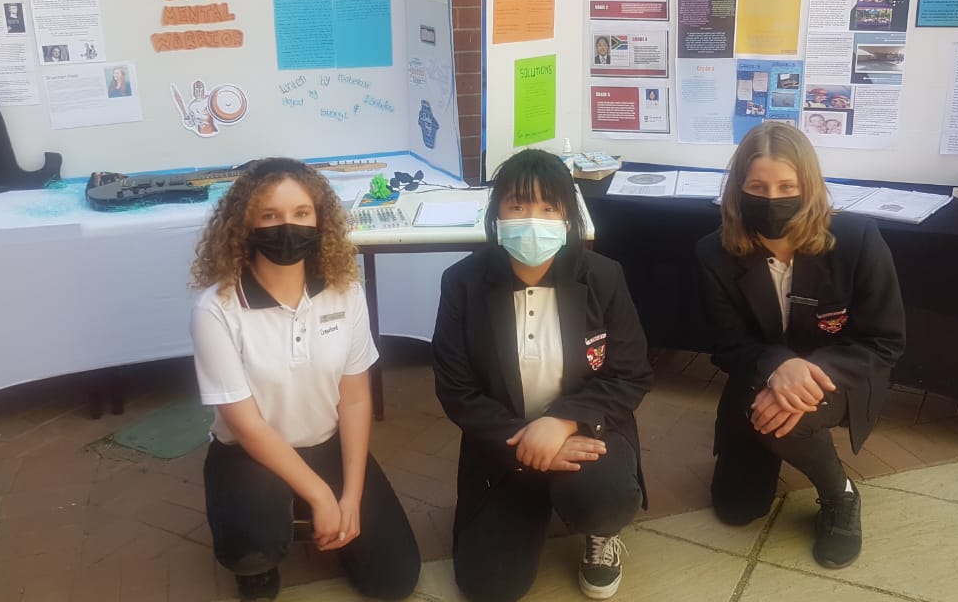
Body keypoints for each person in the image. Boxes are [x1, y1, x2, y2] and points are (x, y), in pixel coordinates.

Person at [190, 158, 420, 602]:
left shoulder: (344, 291)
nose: (287, 227)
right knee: (252, 543)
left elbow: (354, 399)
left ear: (319, 219)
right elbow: (247, 425)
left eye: (300, 213)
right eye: (269, 216)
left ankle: (321, 511)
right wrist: (319, 494)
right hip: (247, 454)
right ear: (244, 225)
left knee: (393, 581)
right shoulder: (216, 308)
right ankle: (257, 565)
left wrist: (350, 496)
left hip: (326, 441)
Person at [432, 149, 653, 601]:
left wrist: (563, 421)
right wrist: (528, 442)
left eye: (548, 207)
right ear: (496, 214)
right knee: (490, 587)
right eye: (518, 204)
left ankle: (598, 532)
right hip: (502, 442)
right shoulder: (463, 283)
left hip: (588, 433)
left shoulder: (603, 277)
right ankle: (531, 492)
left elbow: (630, 374)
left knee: (603, 496)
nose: (533, 219)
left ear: (569, 215)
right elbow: (457, 391)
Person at [696, 122, 904, 570]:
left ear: (807, 187)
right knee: (736, 508)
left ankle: (839, 496)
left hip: (844, 374)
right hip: (761, 373)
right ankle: (773, 438)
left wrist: (805, 378)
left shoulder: (859, 241)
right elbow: (726, 346)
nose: (773, 198)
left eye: (787, 185)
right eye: (758, 186)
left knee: (786, 423)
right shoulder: (712, 254)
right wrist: (778, 368)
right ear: (738, 189)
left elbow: (884, 342)